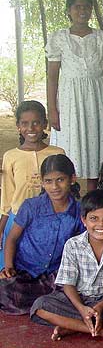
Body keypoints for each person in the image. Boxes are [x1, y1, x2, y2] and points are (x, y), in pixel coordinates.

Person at [30, 190, 103, 343]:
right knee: (40, 307)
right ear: (83, 220)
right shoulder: (73, 245)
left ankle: (72, 327)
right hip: (77, 300)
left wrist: (100, 306)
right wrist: (81, 308)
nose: (101, 225)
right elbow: (68, 284)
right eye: (93, 218)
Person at [46, 0, 103, 191]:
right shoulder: (59, 38)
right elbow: (52, 77)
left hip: (96, 98)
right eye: (77, 6)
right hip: (69, 100)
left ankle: (93, 198)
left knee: (95, 146)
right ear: (69, 11)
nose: (82, 10)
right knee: (71, 147)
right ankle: (70, 197)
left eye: (86, 6)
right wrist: (52, 109)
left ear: (92, 10)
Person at [0, 155, 83, 315]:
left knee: (73, 291)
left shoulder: (80, 211)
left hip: (57, 277)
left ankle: (45, 305)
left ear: (72, 179)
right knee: (5, 288)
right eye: (49, 181)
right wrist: (9, 267)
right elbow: (12, 239)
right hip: (25, 272)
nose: (55, 187)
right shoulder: (31, 206)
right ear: (42, 182)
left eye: (60, 180)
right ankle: (47, 307)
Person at [0, 101, 65, 269]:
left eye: (36, 123)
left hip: (50, 218)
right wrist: (2, 227)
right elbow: (7, 198)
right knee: (12, 265)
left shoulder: (57, 153)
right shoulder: (11, 156)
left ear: (45, 124)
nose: (31, 128)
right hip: (17, 219)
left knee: (43, 265)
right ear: (18, 126)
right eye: (25, 123)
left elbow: (64, 188)